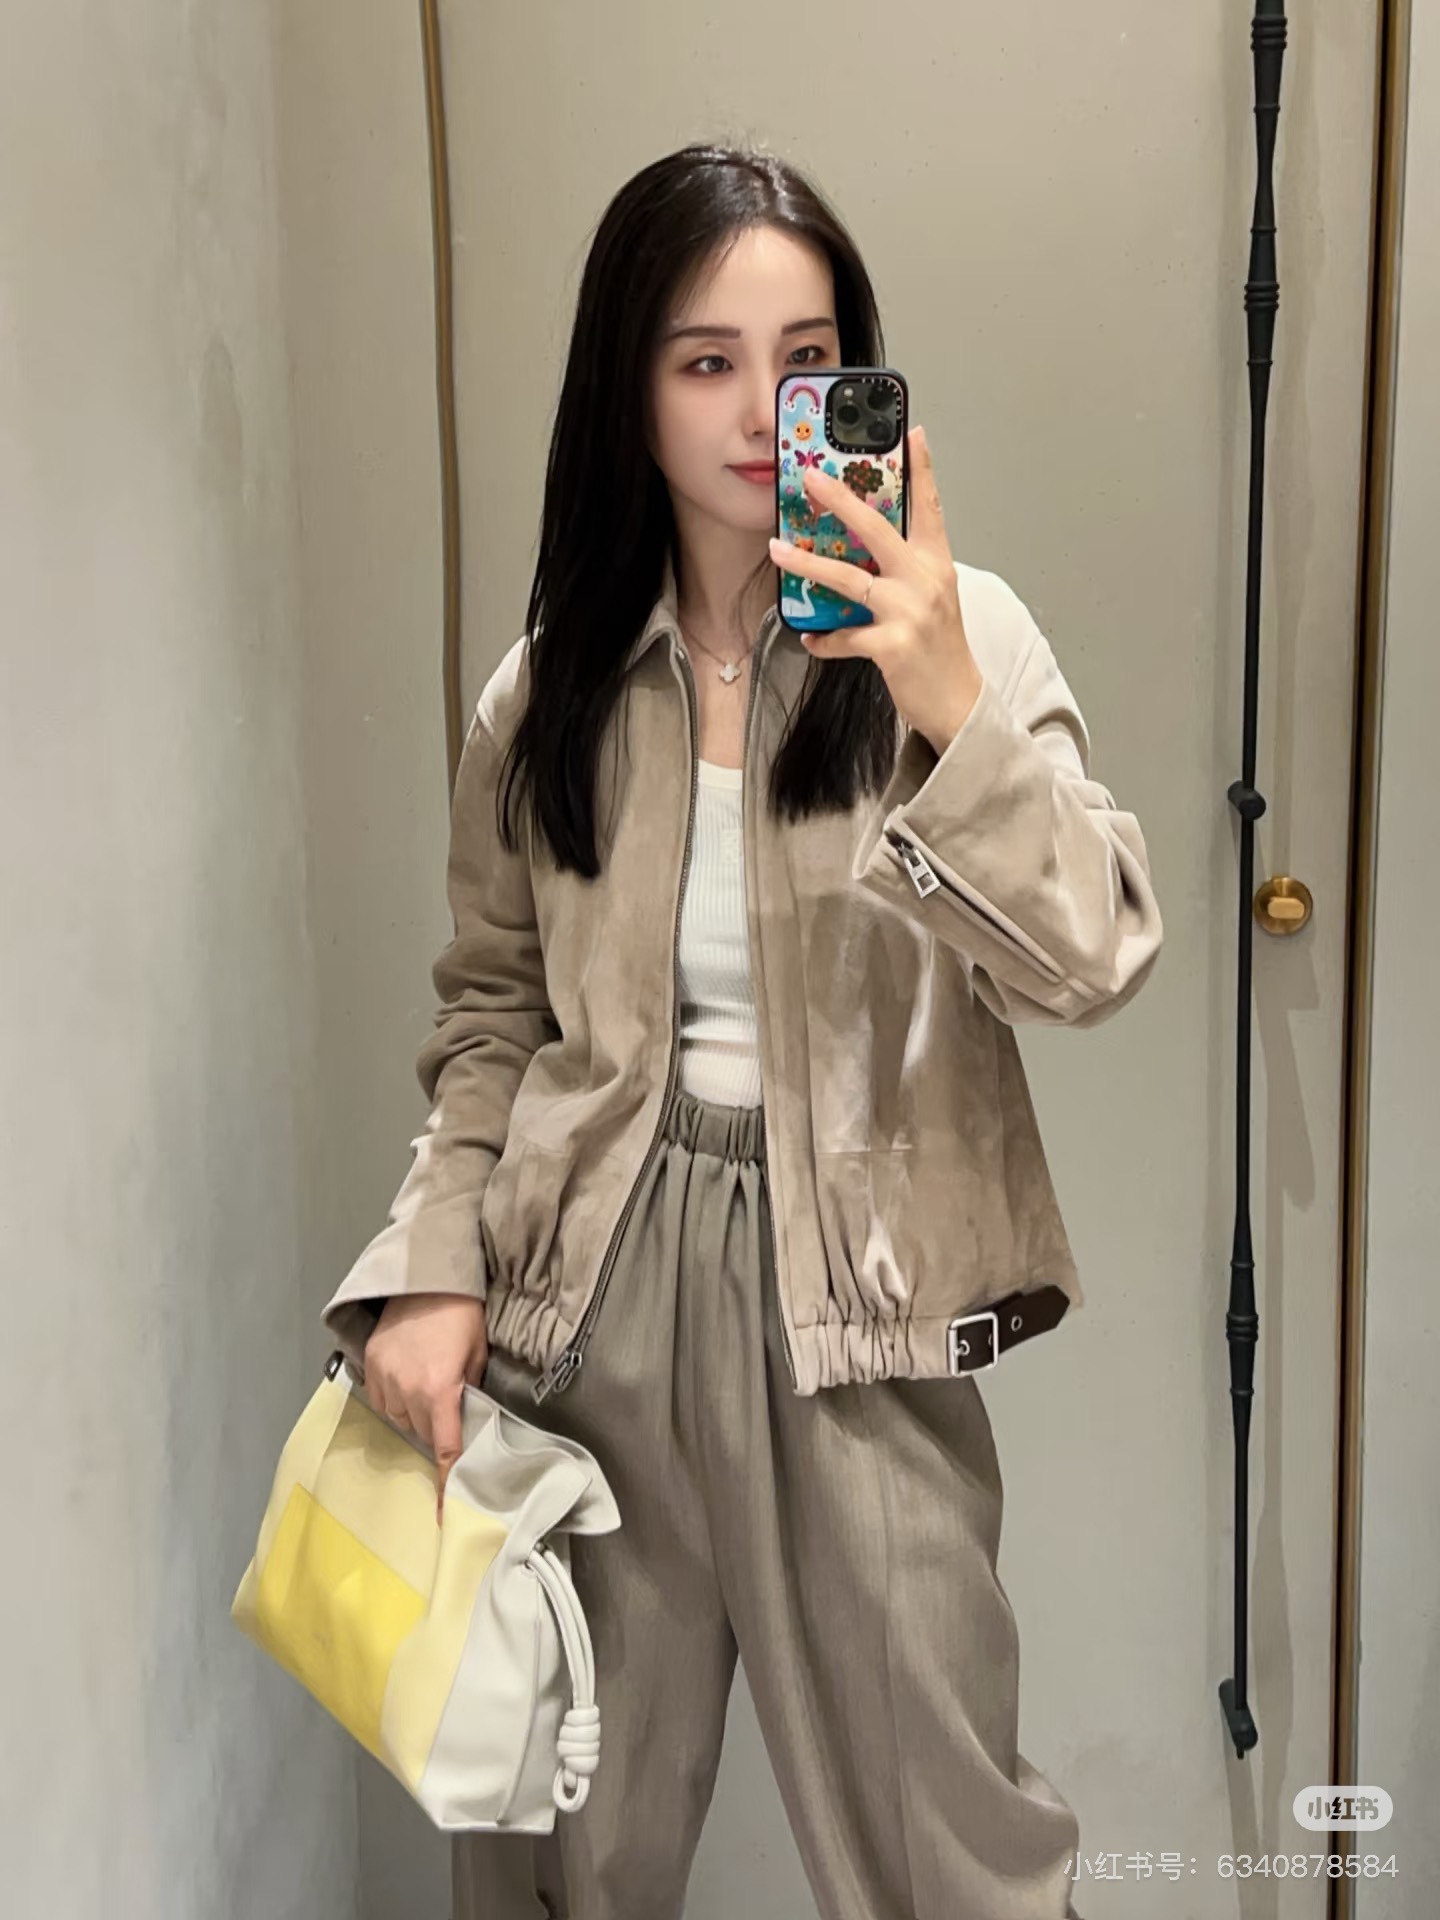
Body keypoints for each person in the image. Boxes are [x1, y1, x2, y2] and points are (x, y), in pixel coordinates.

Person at [321, 142, 1162, 1920]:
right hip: (585, 1301)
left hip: (859, 1297)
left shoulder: (963, 640)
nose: (761, 408)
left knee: (957, 1854)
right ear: (627, 388)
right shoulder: (549, 690)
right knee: (560, 1839)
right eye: (707, 359)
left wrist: (939, 699)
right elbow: (495, 1011)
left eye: (807, 360)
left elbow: (1093, 956)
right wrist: (432, 1266)